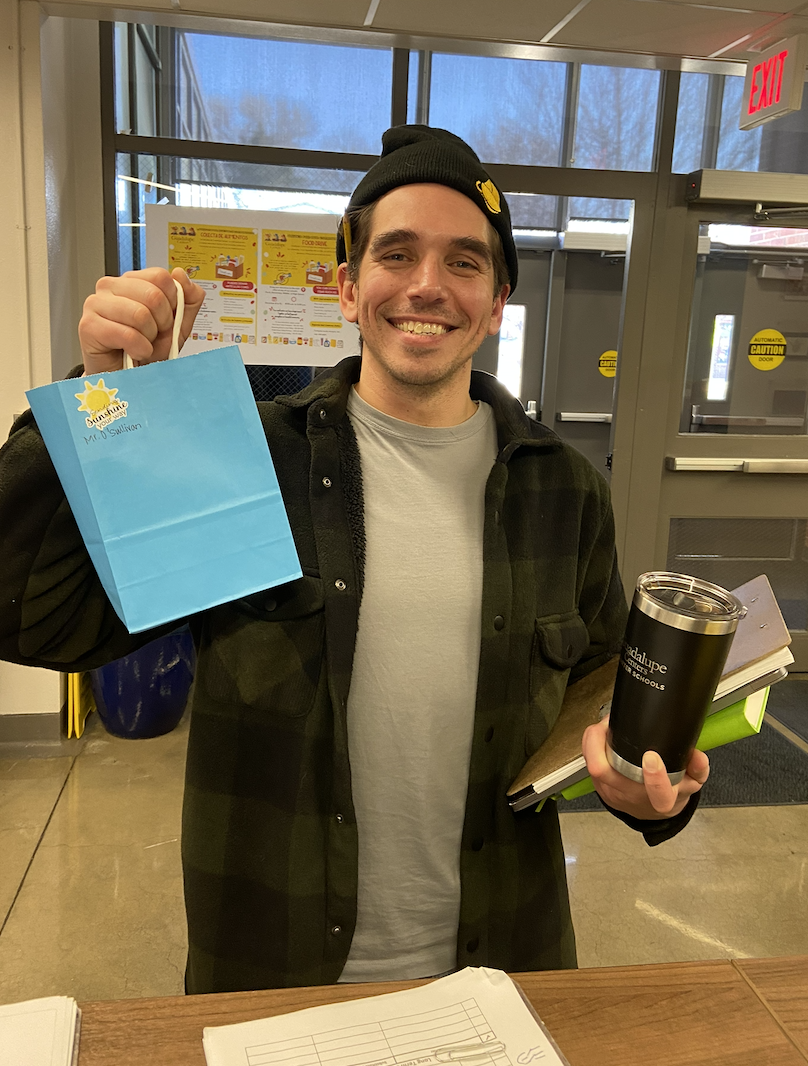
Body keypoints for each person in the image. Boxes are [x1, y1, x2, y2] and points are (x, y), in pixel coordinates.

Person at [0, 126, 709, 994]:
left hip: (501, 974)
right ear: (346, 286)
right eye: (396, 253)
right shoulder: (246, 462)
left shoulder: (565, 492)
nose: (427, 285)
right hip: (276, 974)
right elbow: (32, 617)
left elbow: (603, 698)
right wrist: (94, 402)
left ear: (496, 304)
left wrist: (642, 787)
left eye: (464, 262)